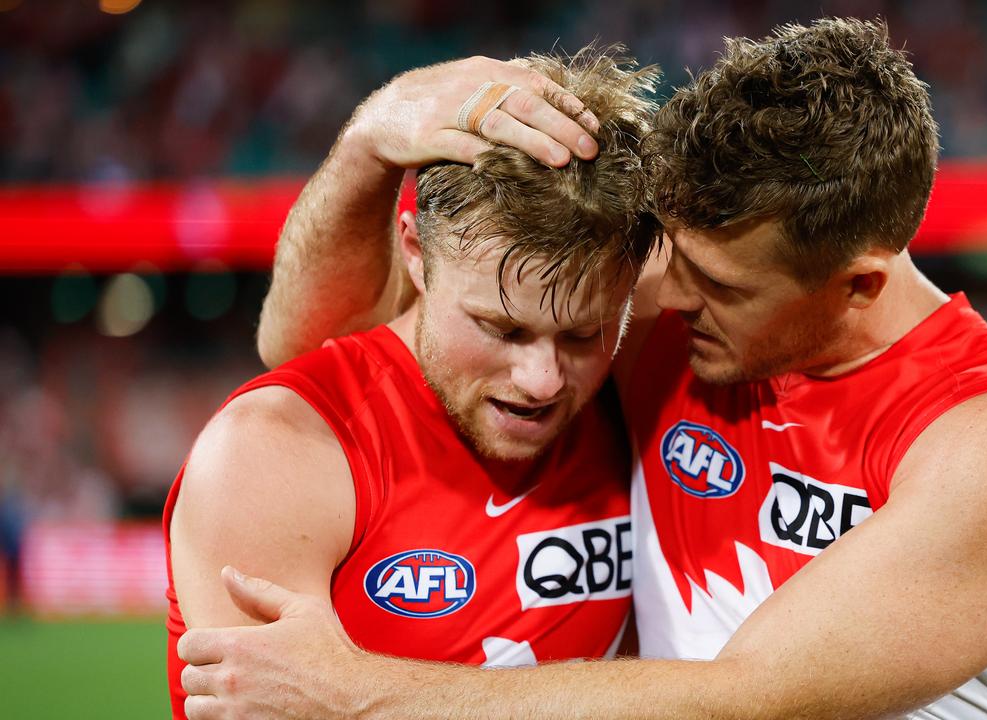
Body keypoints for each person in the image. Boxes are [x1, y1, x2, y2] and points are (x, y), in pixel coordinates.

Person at [178, 17, 987, 720]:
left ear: (858, 284)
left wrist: (357, 693)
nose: (667, 296)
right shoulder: (670, 321)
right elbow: (321, 347)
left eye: (713, 281)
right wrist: (370, 142)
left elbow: (749, 698)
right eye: (669, 257)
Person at [164, 48, 660, 719]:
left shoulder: (642, 386)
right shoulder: (274, 455)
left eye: (583, 335)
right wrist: (369, 139)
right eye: (502, 329)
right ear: (416, 254)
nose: (542, 381)